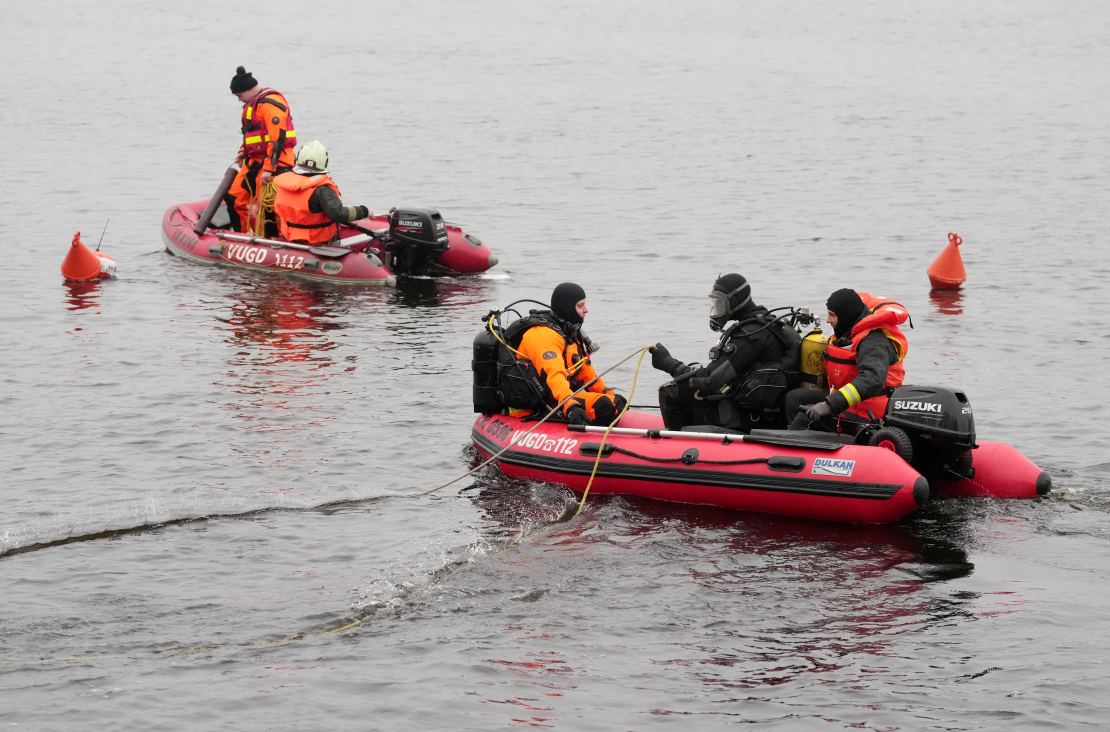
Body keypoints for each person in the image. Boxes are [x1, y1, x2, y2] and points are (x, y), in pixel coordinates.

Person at [650, 273, 800, 432]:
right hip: (774, 417)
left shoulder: (750, 335)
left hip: (753, 421)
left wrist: (669, 364)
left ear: (734, 301)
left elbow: (709, 379)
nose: (716, 307)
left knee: (672, 390)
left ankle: (680, 443)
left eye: (719, 302)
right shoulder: (774, 324)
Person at [499, 283, 626, 426]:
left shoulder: (568, 332)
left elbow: (584, 370)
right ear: (568, 308)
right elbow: (554, 375)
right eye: (580, 306)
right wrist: (570, 406)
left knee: (616, 403)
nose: (586, 310)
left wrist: (608, 393)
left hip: (556, 396)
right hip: (536, 404)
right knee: (604, 406)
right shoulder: (544, 336)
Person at [784, 289, 909, 432]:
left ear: (846, 315)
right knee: (795, 398)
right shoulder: (849, 333)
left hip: (868, 415)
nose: (828, 320)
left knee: (806, 417)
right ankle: (797, 438)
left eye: (832, 315)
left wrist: (829, 404)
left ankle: (789, 443)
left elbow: (872, 380)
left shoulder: (873, 341)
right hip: (849, 405)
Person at [224, 66, 297, 236]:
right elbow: (255, 136)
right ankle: (240, 238)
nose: (238, 99)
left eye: (239, 95)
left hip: (276, 163)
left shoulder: (270, 104)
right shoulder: (253, 104)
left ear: (249, 89)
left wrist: (269, 169)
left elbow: (277, 138)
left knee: (268, 206)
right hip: (255, 163)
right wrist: (243, 151)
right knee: (233, 198)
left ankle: (274, 241)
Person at [272, 142, 371, 244]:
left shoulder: (286, 184)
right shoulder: (322, 189)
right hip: (316, 241)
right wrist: (363, 211)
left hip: (289, 237)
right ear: (324, 161)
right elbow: (338, 213)